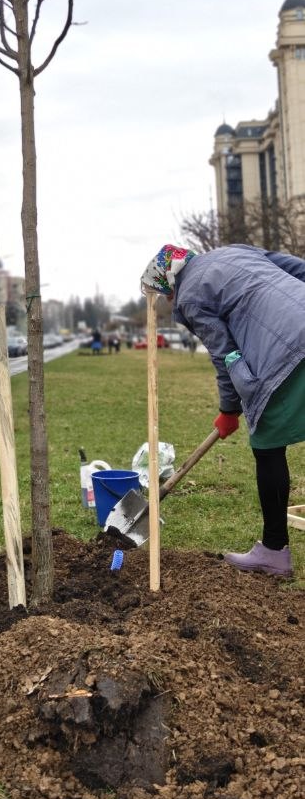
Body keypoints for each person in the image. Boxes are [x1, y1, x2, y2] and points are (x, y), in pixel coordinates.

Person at [141, 242, 305, 578]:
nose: (171, 302)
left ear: (169, 286)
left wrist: (229, 409)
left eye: (166, 296)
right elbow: (298, 267)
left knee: (268, 447)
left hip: (284, 354)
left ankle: (274, 552)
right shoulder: (237, 251)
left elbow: (223, 353)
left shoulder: (190, 297)